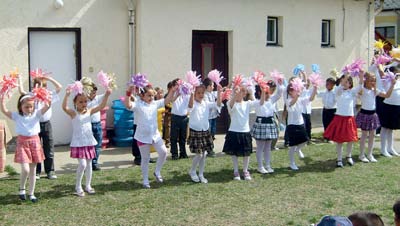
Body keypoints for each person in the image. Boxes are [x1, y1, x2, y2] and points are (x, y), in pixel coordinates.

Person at [1, 93, 51, 202]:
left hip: (35, 142)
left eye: (31, 106)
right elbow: (4, 110)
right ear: (20, 107)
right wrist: (2, 99)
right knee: (25, 169)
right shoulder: (17, 116)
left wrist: (45, 96)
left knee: (33, 170)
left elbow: (47, 106)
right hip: (22, 143)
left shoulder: (37, 114)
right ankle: (22, 188)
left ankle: (31, 193)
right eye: (26, 107)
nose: (29, 109)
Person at [62, 85, 111, 197]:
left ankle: (88, 185)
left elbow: (102, 106)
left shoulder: (89, 111)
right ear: (75, 103)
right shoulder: (73, 113)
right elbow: (64, 107)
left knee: (89, 164)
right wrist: (67, 95)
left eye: (85, 101)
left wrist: (107, 94)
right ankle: (78, 186)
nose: (84, 104)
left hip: (89, 142)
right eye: (80, 102)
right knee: (83, 164)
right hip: (79, 143)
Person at [124, 84, 176, 188]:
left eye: (152, 95)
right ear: (142, 96)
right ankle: (145, 179)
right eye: (149, 95)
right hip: (142, 136)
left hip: (154, 135)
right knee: (145, 158)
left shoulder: (155, 104)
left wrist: (173, 90)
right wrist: (128, 93)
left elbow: (167, 100)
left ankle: (157, 171)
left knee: (163, 152)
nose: (151, 98)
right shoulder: (138, 105)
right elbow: (128, 105)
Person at [18, 76, 62, 180]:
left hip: (46, 124)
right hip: (35, 125)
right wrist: (20, 79)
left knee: (49, 147)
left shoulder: (48, 94)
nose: (40, 88)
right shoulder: (32, 95)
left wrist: (49, 78)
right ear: (34, 86)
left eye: (43, 86)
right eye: (37, 85)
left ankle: (50, 171)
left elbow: (59, 87)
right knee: (36, 149)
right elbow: (21, 91)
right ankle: (36, 172)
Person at [324, 74, 362, 167]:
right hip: (340, 118)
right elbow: (340, 87)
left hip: (349, 118)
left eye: (348, 82)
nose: (345, 83)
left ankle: (349, 156)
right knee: (339, 140)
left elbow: (360, 86)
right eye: (343, 81)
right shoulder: (338, 91)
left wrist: (360, 75)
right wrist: (345, 76)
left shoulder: (352, 92)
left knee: (350, 139)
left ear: (350, 84)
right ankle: (339, 159)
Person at [355, 72, 394, 162]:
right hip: (364, 114)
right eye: (371, 80)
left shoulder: (375, 91)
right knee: (364, 135)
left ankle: (370, 154)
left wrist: (392, 85)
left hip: (372, 115)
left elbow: (387, 95)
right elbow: (359, 89)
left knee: (372, 135)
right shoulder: (362, 90)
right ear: (366, 80)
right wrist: (361, 77)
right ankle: (361, 155)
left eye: (374, 80)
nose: (373, 82)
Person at [187, 84, 221, 183]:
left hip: (205, 131)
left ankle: (201, 174)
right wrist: (192, 94)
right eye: (198, 93)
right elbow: (190, 106)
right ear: (195, 93)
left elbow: (217, 104)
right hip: (196, 131)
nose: (201, 95)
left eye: (202, 93)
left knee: (204, 154)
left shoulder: (206, 103)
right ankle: (192, 171)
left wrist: (219, 92)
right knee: (199, 155)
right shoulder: (193, 104)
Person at [222, 83, 257, 180]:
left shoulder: (247, 104)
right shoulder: (229, 102)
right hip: (233, 131)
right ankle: (236, 171)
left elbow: (257, 103)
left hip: (245, 131)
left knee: (246, 153)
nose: (237, 92)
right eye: (235, 91)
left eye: (240, 91)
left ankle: (245, 171)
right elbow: (231, 106)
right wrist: (235, 94)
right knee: (234, 152)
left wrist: (251, 91)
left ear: (244, 94)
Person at [285, 78, 317, 170]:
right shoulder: (288, 100)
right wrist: (297, 96)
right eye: (294, 90)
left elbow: (311, 98)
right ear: (290, 92)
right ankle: (292, 163)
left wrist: (315, 88)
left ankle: (298, 149)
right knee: (292, 146)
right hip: (292, 125)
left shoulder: (300, 99)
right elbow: (292, 103)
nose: (297, 91)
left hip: (300, 124)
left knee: (305, 140)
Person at [251, 81, 283, 174]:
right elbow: (261, 103)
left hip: (269, 123)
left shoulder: (271, 100)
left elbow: (279, 94)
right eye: (266, 92)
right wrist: (262, 90)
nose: (268, 94)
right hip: (261, 124)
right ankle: (260, 166)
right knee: (260, 147)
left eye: (268, 92)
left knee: (268, 147)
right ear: (260, 93)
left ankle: (268, 165)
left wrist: (279, 83)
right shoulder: (257, 102)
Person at [379, 67, 400, 158]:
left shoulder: (398, 82)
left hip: (396, 107)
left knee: (391, 129)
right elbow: (381, 71)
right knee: (385, 128)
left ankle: (390, 148)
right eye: (396, 74)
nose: (397, 76)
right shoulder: (386, 81)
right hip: (388, 107)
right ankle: (383, 149)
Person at [86, 82, 105, 171]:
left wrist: (108, 87)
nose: (94, 95)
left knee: (97, 144)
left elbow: (106, 94)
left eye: (95, 92)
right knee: (89, 145)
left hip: (97, 124)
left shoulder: (97, 98)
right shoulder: (84, 100)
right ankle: (87, 162)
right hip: (87, 125)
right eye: (92, 92)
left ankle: (94, 162)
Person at [170, 78, 190, 160]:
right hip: (175, 117)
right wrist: (177, 93)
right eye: (177, 85)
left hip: (184, 117)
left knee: (183, 137)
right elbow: (171, 100)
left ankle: (183, 153)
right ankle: (174, 154)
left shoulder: (186, 94)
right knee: (174, 137)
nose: (179, 86)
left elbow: (190, 103)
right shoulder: (173, 93)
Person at [317, 77, 337, 142]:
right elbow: (318, 93)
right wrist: (315, 85)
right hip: (325, 110)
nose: (326, 85)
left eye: (328, 84)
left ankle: (332, 137)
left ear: (332, 85)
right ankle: (327, 136)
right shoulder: (325, 92)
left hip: (333, 110)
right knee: (325, 123)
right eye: (326, 83)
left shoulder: (334, 92)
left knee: (332, 124)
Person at [203, 78, 218, 157]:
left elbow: (220, 92)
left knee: (212, 133)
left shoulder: (212, 93)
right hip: (208, 118)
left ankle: (209, 148)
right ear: (208, 86)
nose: (213, 87)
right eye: (212, 85)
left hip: (213, 116)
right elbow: (208, 105)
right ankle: (209, 150)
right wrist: (216, 103)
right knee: (208, 134)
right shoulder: (204, 95)